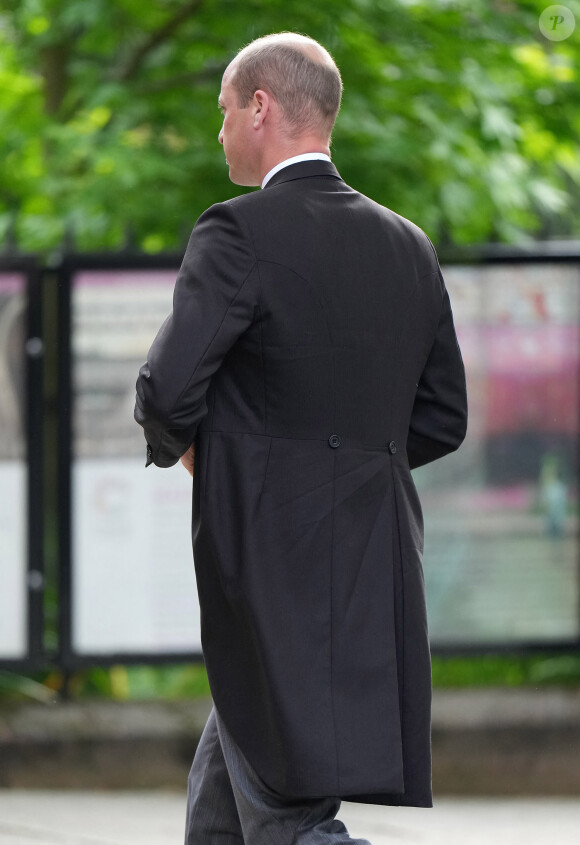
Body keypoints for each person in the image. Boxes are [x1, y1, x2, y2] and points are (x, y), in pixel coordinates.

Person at [135, 32, 467, 845]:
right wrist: (343, 470)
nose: (218, 133)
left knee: (290, 817)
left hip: (270, 564)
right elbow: (441, 416)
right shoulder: (408, 246)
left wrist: (224, 465)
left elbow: (167, 392)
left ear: (261, 106)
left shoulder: (238, 233)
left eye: (222, 112)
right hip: (373, 559)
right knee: (230, 794)